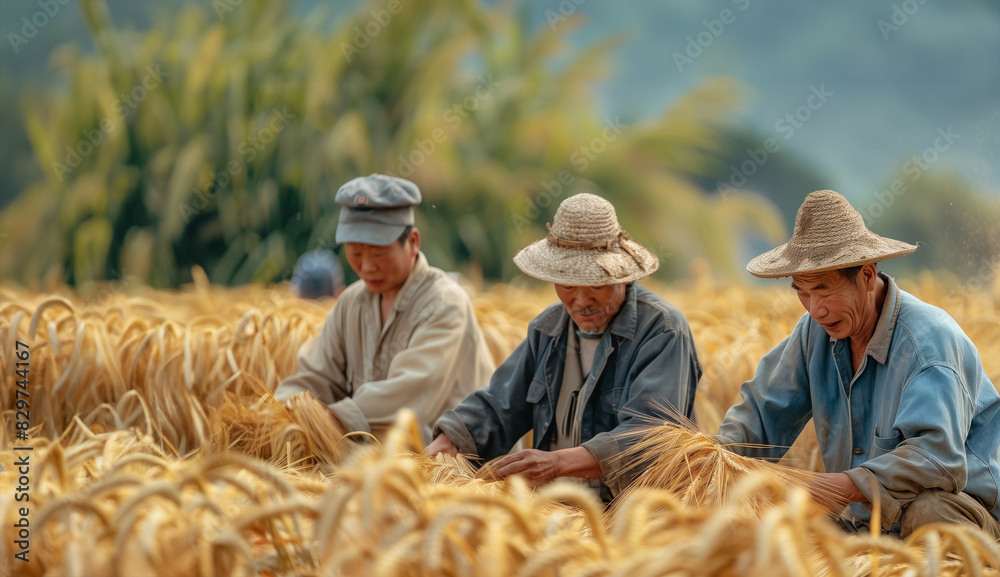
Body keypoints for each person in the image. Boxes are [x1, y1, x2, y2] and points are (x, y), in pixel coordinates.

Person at [716, 189, 1000, 538]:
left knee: (931, 515)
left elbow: (937, 460)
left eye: (824, 289)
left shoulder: (928, 345)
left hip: (965, 515)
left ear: (867, 276)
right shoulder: (813, 335)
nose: (814, 309)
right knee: (764, 534)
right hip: (862, 525)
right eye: (802, 292)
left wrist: (839, 487)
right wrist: (712, 460)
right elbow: (762, 412)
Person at [425, 193, 702, 500]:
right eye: (568, 286)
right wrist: (452, 439)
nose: (581, 301)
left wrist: (557, 463)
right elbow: (501, 404)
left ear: (622, 277)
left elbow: (649, 437)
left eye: (596, 285)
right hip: (556, 514)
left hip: (636, 515)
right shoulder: (548, 330)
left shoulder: (662, 331)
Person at [274, 174, 495, 443]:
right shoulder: (350, 303)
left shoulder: (445, 304)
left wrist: (325, 421)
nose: (366, 266)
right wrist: (280, 412)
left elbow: (405, 397)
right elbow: (316, 377)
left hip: (454, 472)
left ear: (413, 242)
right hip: (383, 463)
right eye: (355, 253)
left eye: (378, 254)